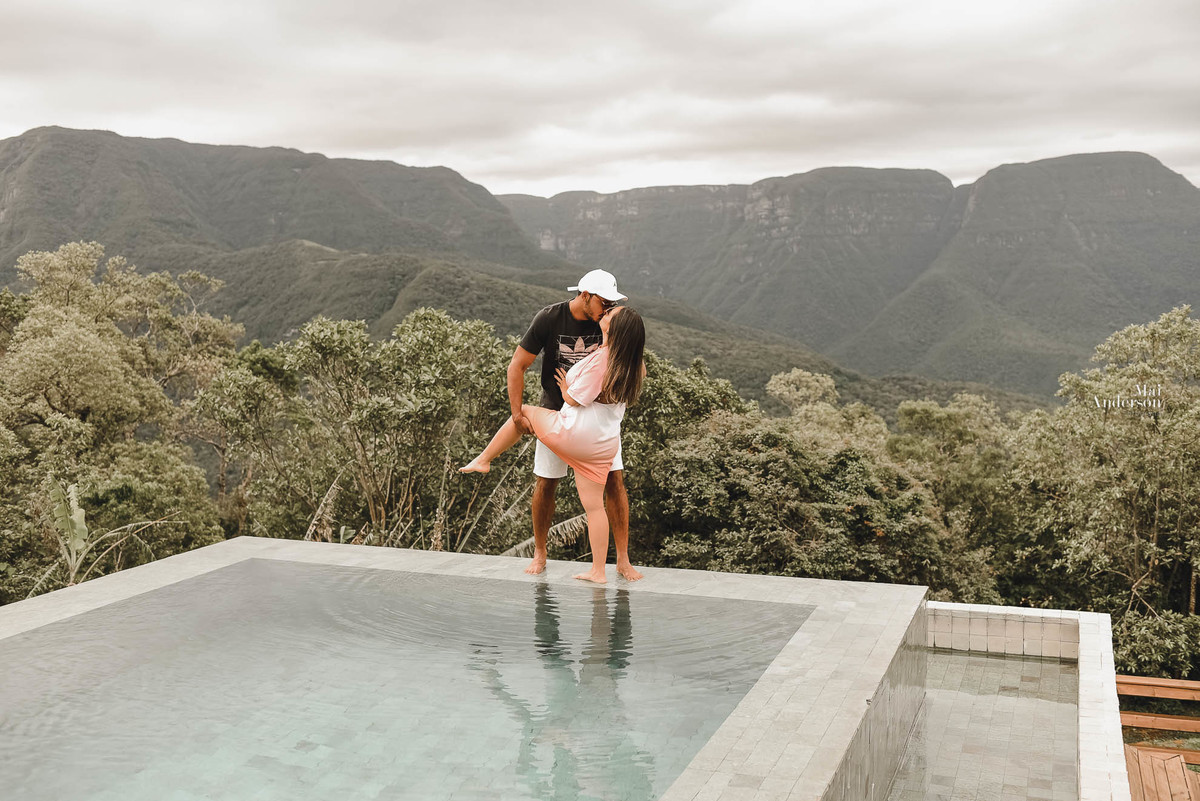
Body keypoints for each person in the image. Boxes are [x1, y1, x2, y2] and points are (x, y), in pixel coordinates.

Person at [461, 305, 646, 583]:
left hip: (573, 432)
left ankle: (484, 458)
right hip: (603, 443)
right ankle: (598, 571)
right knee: (594, 507)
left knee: (522, 413)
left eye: (610, 315)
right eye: (606, 309)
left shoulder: (601, 359)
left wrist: (565, 390)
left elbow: (576, 399)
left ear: (614, 329)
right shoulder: (633, 364)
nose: (605, 314)